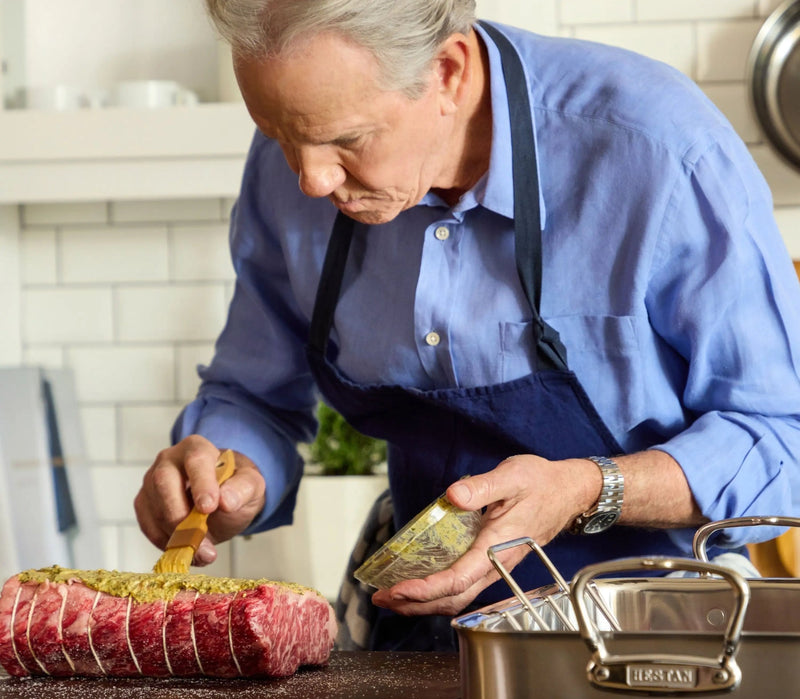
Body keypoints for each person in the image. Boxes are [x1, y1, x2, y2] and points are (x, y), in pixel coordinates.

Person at [135, 0, 800, 650]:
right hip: (419, 635)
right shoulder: (304, 141)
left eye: (348, 141)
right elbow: (253, 396)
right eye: (280, 136)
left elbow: (782, 440)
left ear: (448, 72)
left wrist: (584, 489)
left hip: (653, 638)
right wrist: (226, 468)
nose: (309, 180)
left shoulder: (657, 149)